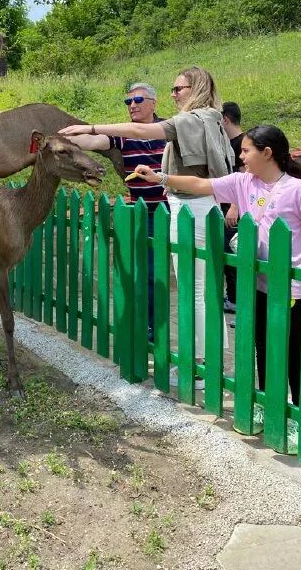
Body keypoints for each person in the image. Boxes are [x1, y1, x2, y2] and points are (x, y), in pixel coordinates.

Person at [61, 66, 235, 389]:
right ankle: (209, 362)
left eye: (178, 88)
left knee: (194, 292)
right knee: (203, 291)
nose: (174, 94)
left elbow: (139, 132)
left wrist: (91, 125)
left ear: (195, 88)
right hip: (201, 208)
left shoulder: (188, 121)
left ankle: (201, 368)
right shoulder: (211, 118)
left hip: (189, 211)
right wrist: (161, 178)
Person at [133, 125, 301, 406]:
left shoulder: (298, 190)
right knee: (263, 347)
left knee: (294, 351)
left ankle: (298, 411)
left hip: (294, 289)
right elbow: (201, 185)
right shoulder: (243, 182)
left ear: (267, 153)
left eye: (246, 151)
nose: (240, 156)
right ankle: (268, 406)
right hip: (260, 284)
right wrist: (161, 177)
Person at [58, 82, 168, 341]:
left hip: (171, 211)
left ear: (153, 103)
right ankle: (147, 325)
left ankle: (162, 327)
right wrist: (63, 139)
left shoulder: (168, 129)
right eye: (128, 102)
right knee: (143, 272)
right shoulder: (124, 134)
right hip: (142, 213)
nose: (132, 106)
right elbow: (94, 141)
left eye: (138, 100)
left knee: (167, 272)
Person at [221, 102, 245, 319]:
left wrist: (234, 207)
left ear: (225, 120)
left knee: (233, 254)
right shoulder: (227, 144)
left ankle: (236, 299)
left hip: (234, 212)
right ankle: (232, 297)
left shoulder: (241, 145)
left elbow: (246, 178)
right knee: (227, 256)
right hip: (226, 209)